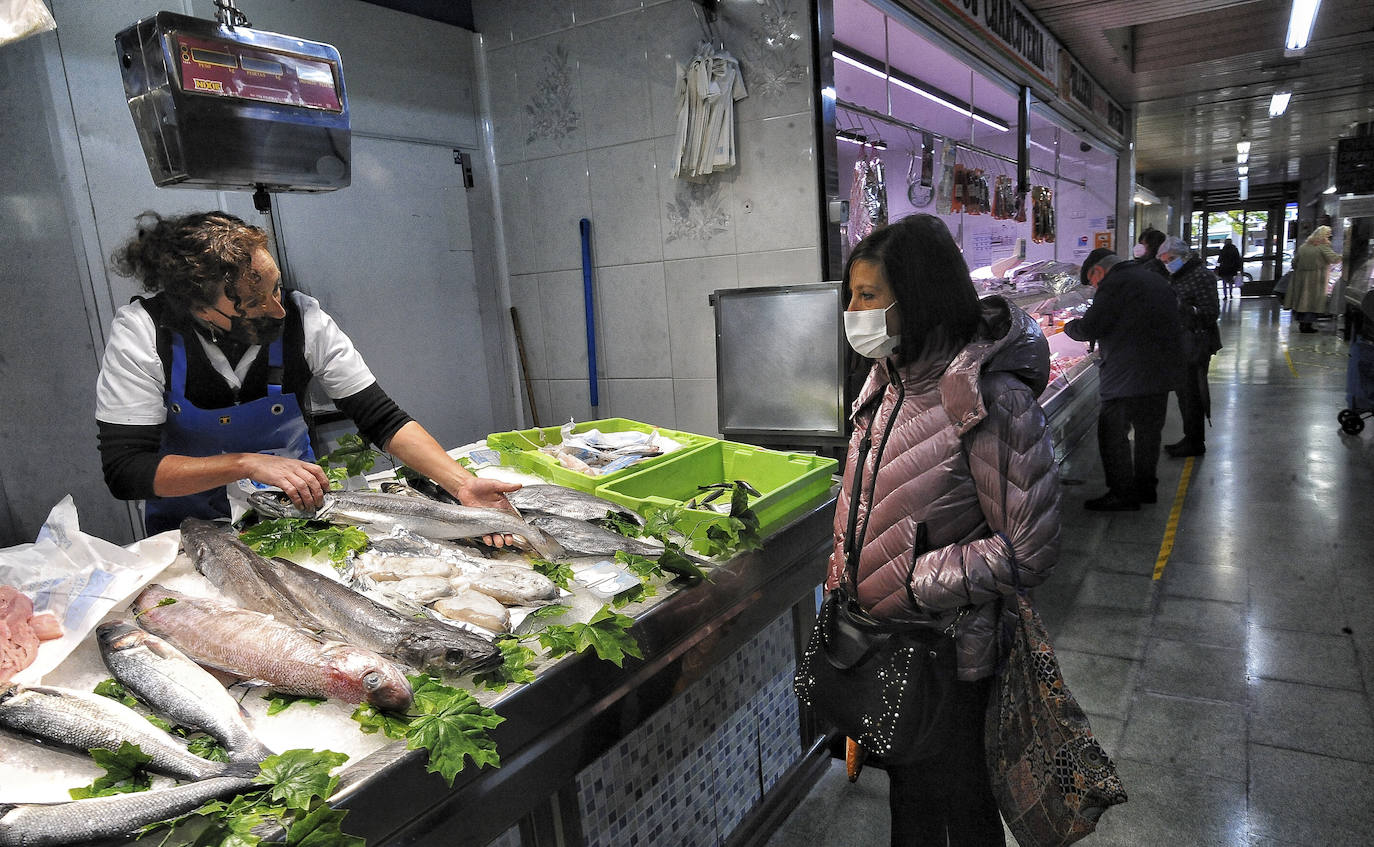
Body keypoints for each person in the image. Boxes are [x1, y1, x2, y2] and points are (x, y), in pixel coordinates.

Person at [830, 214, 1061, 846]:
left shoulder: (991, 399)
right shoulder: (888, 381)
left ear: (919, 299)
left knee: (961, 811)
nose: (853, 310)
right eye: (852, 295)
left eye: (867, 297)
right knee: (911, 807)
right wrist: (845, 577)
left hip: (952, 659)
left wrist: (911, 578)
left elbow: (1031, 548)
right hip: (893, 648)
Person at [95, 210, 520, 535]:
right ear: (196, 305)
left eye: (275, 286)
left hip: (301, 518)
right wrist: (246, 464)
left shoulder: (303, 319)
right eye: (253, 302)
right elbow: (126, 470)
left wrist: (462, 484)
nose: (277, 309)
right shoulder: (144, 333)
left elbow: (381, 418)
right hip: (191, 532)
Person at [1063, 248, 1185, 510]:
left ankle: (1122, 493)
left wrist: (1069, 326)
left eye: (1093, 282)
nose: (1095, 288)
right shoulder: (1152, 278)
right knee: (1148, 433)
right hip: (1159, 372)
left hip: (1127, 375)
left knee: (1112, 434)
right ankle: (1145, 488)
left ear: (1098, 271)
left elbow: (1090, 327)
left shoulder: (1115, 284)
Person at [1158, 235, 1221, 458]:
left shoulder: (1202, 276)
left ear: (1184, 256)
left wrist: (1181, 307)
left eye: (1171, 258)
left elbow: (1211, 312)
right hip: (1181, 343)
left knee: (1192, 394)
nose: (1168, 263)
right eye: (1164, 260)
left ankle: (1195, 442)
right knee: (1184, 394)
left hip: (1196, 343)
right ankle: (1190, 437)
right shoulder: (1177, 275)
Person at [1286, 225, 1341, 333]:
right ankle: (1308, 325)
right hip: (1316, 279)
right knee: (1312, 303)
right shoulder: (1322, 247)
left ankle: (1303, 324)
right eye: (1328, 235)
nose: (1329, 238)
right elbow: (1334, 259)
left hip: (1300, 278)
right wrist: (1346, 255)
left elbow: (1294, 263)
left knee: (1302, 302)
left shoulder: (1304, 247)